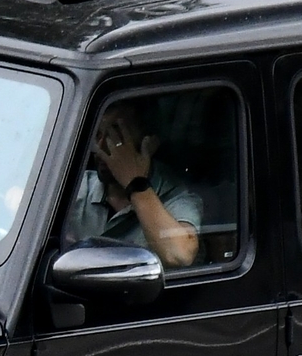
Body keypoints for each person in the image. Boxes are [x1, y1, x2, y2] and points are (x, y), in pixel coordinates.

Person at [61, 100, 203, 269]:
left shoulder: (177, 198)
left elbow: (178, 255)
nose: (100, 147)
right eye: (98, 135)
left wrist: (135, 183)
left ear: (150, 143)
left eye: (116, 137)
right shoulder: (77, 187)